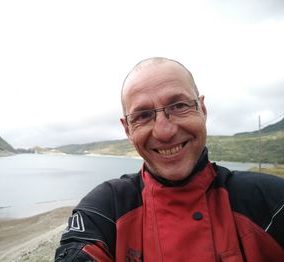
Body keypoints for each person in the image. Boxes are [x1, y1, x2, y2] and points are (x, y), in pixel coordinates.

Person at [55, 57, 284, 261]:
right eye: (143, 115)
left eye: (179, 105)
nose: (164, 132)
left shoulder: (270, 201)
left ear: (202, 110)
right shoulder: (106, 208)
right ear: (127, 130)